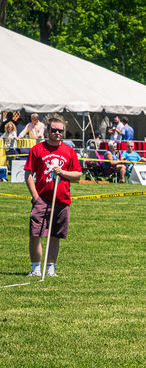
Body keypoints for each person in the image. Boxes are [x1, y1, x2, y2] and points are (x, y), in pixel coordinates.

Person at [25, 115, 82, 277]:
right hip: (42, 198)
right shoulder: (37, 149)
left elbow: (77, 175)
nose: (57, 133)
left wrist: (62, 172)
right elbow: (28, 173)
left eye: (60, 131)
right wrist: (35, 196)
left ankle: (50, 269)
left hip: (62, 198)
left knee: (55, 235)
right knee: (35, 233)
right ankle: (36, 268)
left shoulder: (69, 151)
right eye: (54, 130)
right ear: (48, 130)